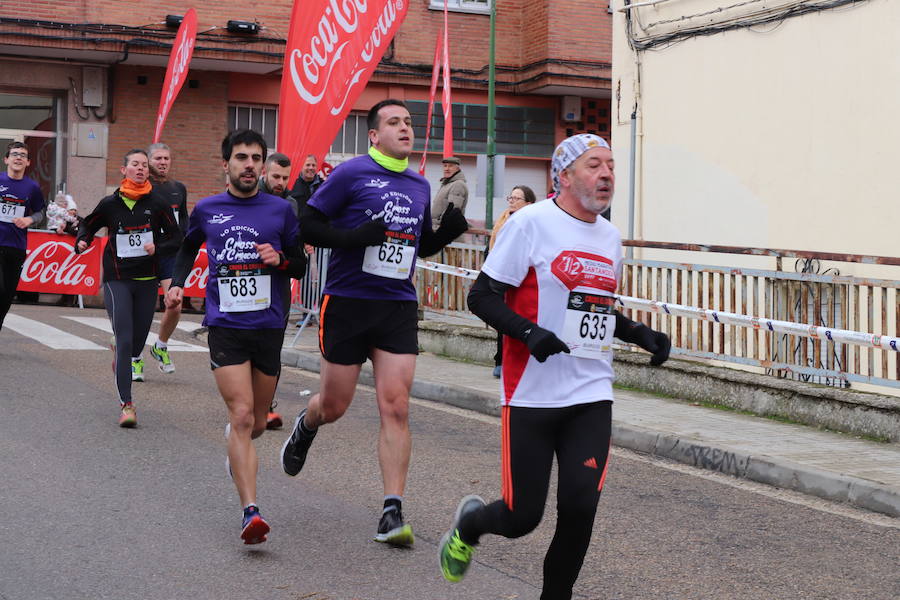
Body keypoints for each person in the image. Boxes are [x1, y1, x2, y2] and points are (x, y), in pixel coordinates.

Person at [437, 134, 671, 598]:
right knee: (523, 517)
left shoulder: (609, 237)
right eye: (593, 166)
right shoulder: (530, 223)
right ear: (562, 176)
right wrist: (528, 333)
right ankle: (469, 526)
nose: (606, 175)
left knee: (581, 507)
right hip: (531, 393)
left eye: (610, 166)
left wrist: (641, 334)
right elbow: (481, 296)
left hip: (590, 393)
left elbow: (592, 310)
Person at [280, 99, 469, 546]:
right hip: (347, 302)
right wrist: (352, 238)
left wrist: (448, 233)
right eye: (394, 122)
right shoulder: (351, 174)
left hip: (396, 305)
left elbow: (418, 245)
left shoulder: (421, 185)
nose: (405, 128)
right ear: (374, 135)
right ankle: (306, 425)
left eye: (408, 122)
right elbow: (306, 224)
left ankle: (391, 510)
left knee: (396, 405)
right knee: (334, 406)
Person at [165, 129, 306, 545]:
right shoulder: (208, 210)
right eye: (241, 157)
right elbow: (188, 248)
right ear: (225, 164)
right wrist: (177, 282)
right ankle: (251, 513)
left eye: (256, 158)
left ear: (263, 166)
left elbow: (299, 265)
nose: (249, 165)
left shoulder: (281, 211)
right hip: (225, 326)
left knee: (258, 423)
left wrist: (279, 258)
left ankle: (237, 444)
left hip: (268, 326)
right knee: (242, 415)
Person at [76, 149, 181, 427]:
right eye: (134, 164)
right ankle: (127, 405)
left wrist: (157, 247)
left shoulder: (157, 203)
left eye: (144, 165)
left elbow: (177, 238)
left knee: (136, 344)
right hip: (117, 278)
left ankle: (123, 355)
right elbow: (88, 224)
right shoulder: (110, 204)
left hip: (147, 280)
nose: (140, 169)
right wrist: (82, 240)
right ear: (124, 170)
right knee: (124, 339)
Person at [258, 151, 298, 430]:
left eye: (285, 177)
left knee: (273, 346)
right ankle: (246, 399)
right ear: (264, 173)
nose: (280, 182)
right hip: (248, 279)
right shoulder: (247, 197)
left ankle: (266, 404)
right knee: (248, 343)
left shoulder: (291, 205)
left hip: (278, 283)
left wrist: (288, 256)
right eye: (276, 176)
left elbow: (295, 245)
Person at [146, 142, 190, 374]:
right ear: (149, 161)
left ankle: (160, 345)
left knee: (175, 304)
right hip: (146, 254)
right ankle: (133, 356)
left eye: (166, 158)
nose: (163, 163)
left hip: (170, 253)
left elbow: (184, 220)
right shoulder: (142, 187)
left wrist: (185, 240)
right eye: (158, 159)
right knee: (141, 309)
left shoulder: (178, 188)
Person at [487, 185, 537, 378]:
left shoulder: (532, 223)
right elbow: (492, 247)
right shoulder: (503, 220)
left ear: (529, 203)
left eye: (517, 198)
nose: (511, 201)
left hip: (522, 280)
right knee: (502, 319)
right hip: (500, 276)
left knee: (520, 318)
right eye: (511, 197)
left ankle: (522, 361)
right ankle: (500, 360)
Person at [0, 142, 45, 330]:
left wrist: (29, 219)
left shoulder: (32, 187)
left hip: (16, 247)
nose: (18, 157)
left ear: (28, 162)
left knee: (7, 295)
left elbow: (41, 212)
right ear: (6, 159)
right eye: (15, 154)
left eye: (23, 155)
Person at [430, 156, 469, 230]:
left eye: (450, 166)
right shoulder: (447, 184)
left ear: (457, 169)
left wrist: (438, 228)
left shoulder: (458, 185)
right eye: (445, 166)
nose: (447, 169)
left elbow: (452, 211)